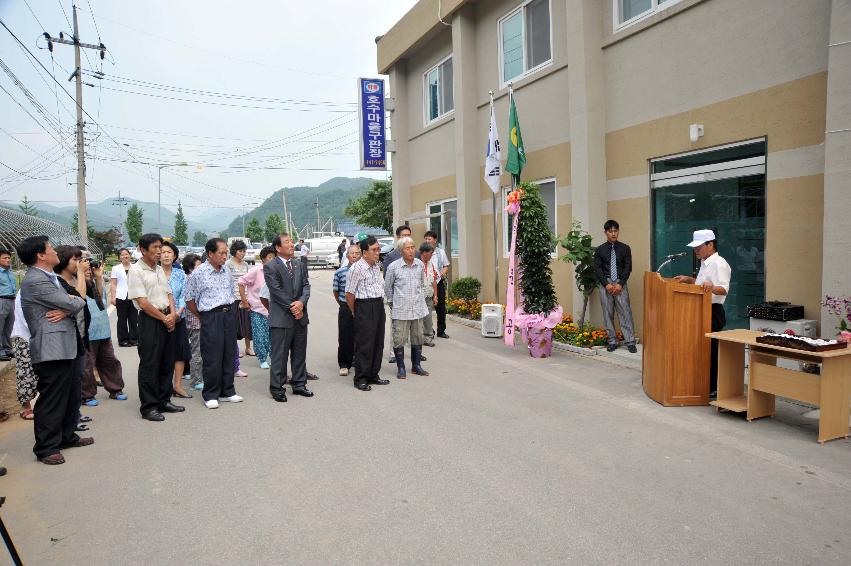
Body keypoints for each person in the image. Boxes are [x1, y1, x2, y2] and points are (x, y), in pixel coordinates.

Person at [17, 236, 91, 465]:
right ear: (40, 255)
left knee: (69, 395)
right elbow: (76, 301)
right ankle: (46, 447)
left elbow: (71, 303)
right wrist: (69, 305)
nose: (54, 251)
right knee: (52, 399)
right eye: (50, 248)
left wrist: (67, 307)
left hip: (65, 344)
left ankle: (66, 436)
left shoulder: (49, 277)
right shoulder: (35, 280)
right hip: (51, 348)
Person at [127, 233, 185, 422]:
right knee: (150, 364)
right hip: (151, 320)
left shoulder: (159, 269)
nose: (160, 251)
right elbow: (142, 303)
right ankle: (149, 407)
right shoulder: (136, 271)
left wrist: (173, 315)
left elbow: (169, 294)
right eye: (155, 248)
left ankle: (163, 400)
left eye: (161, 247)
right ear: (142, 250)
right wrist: (163, 318)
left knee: (166, 361)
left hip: (167, 317)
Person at [185, 238, 244, 409]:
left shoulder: (226, 270)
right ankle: (211, 394)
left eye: (226, 252)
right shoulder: (199, 273)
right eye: (222, 253)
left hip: (229, 314)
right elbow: (189, 299)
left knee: (229, 353)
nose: (225, 256)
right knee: (212, 356)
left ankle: (228, 391)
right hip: (211, 316)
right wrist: (203, 316)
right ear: (210, 254)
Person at [674, 229, 732, 397]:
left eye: (699, 246)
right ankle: (704, 383)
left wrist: (711, 287)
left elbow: (723, 289)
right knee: (702, 350)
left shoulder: (719, 263)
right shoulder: (706, 262)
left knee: (712, 351)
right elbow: (702, 285)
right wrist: (689, 280)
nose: (696, 250)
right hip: (700, 310)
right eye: (695, 247)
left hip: (713, 311)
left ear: (710, 244)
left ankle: (714, 388)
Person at [264, 233, 313, 402]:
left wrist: (301, 303)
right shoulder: (271, 266)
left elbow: (306, 286)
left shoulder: (299, 264)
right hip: (282, 317)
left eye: (292, 241)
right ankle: (277, 387)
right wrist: (294, 307)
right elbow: (276, 291)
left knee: (299, 353)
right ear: (278, 248)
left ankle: (299, 384)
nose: (292, 244)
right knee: (280, 355)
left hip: (300, 316)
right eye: (287, 242)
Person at [345, 236, 387, 391]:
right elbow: (349, 294)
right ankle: (361, 378)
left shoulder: (376, 265)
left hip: (378, 304)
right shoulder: (356, 268)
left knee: (378, 341)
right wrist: (356, 311)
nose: (377, 252)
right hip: (364, 306)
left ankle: (373, 375)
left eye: (378, 249)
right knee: (365, 344)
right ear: (364, 252)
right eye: (374, 250)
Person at [384, 237, 430, 379]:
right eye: (407, 248)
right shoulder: (394, 267)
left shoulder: (420, 265)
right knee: (399, 339)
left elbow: (422, 284)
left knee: (418, 338)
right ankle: (401, 367)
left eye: (412, 247)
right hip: (400, 310)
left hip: (417, 309)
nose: (411, 250)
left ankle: (416, 366)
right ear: (400, 251)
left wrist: (420, 298)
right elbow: (387, 287)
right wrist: (392, 303)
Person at [54, 247, 91, 418]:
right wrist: (82, 275)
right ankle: (70, 419)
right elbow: (79, 299)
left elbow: (94, 296)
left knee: (77, 380)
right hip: (67, 338)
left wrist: (96, 276)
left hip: (81, 335)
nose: (79, 263)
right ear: (63, 261)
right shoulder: (57, 282)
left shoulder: (76, 278)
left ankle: (74, 416)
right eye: (75, 260)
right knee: (67, 382)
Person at [82, 262, 126, 402]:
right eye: (86, 270)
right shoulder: (76, 288)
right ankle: (87, 396)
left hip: (103, 332)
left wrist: (99, 276)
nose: (89, 272)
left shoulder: (94, 286)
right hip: (88, 334)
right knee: (87, 366)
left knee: (110, 362)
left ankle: (115, 390)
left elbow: (101, 298)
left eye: (90, 269)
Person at [593, 220, 637, 354]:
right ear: (605, 232)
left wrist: (620, 284)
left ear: (618, 231)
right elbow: (597, 269)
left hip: (620, 283)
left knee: (625, 312)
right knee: (608, 313)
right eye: (610, 231)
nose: (613, 234)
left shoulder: (625, 248)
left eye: (615, 231)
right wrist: (606, 284)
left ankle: (630, 341)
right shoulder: (600, 250)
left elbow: (627, 267)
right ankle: (612, 341)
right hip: (605, 284)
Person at [161, 241, 192, 399]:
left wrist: (176, 314)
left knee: (179, 352)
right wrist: (165, 316)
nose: (166, 255)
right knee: (161, 353)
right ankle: (163, 386)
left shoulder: (180, 275)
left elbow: (183, 297)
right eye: (163, 252)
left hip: (178, 318)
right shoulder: (154, 273)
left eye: (169, 252)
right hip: (158, 318)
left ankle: (177, 385)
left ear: (174, 256)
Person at [239, 246, 276, 370]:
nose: (272, 260)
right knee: (260, 335)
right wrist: (245, 301)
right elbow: (241, 282)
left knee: (272, 335)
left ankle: (272, 356)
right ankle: (262, 358)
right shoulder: (256, 271)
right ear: (263, 259)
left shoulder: (276, 271)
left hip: (273, 310)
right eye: (270, 257)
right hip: (257, 309)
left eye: (274, 257)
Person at [382, 225, 412, 364]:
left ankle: (414, 352)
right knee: (396, 327)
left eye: (409, 235)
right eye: (404, 235)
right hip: (397, 298)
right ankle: (394, 353)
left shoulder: (415, 254)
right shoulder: (391, 256)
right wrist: (392, 300)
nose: (407, 237)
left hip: (412, 299)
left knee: (414, 327)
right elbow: (387, 280)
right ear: (398, 237)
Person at [333, 244, 361, 376]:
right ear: (347, 255)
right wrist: (344, 304)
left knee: (361, 336)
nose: (354, 255)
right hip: (345, 307)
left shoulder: (364, 271)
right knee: (345, 337)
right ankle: (344, 364)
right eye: (352, 253)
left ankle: (359, 360)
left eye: (357, 253)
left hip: (361, 306)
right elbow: (336, 291)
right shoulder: (340, 272)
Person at [226, 240, 252, 373]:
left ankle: (248, 348)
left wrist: (248, 297)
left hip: (245, 297)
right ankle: (236, 350)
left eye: (244, 251)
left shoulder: (246, 264)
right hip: (234, 299)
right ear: (234, 251)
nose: (242, 253)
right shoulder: (228, 264)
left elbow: (247, 281)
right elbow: (228, 282)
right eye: (240, 251)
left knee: (247, 324)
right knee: (236, 325)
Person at [182, 254, 204, 392]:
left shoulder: (193, 278)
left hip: (195, 320)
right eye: (198, 266)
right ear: (190, 268)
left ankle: (197, 377)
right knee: (198, 352)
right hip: (195, 321)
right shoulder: (191, 280)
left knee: (198, 350)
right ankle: (197, 380)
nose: (201, 268)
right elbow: (190, 302)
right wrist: (201, 316)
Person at [12, 291, 36, 420]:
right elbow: (25, 315)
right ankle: (25, 406)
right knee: (26, 372)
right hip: (24, 336)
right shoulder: (26, 289)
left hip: (39, 335)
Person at [423, 230, 450, 339]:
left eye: (429, 239)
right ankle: (430, 330)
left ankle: (441, 330)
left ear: (435, 240)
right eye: (425, 239)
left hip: (438, 282)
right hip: (426, 283)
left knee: (441, 307)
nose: (427, 241)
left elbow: (446, 265)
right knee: (427, 307)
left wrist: (441, 274)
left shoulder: (440, 252)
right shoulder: (422, 252)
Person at [110, 248, 138, 347]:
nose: (125, 256)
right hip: (121, 296)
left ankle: (134, 338)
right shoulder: (116, 268)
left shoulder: (135, 267)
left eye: (126, 254)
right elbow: (113, 284)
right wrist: (113, 297)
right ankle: (123, 340)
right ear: (119, 257)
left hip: (133, 296)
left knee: (134, 318)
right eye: (122, 255)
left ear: (129, 255)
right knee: (122, 319)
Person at [418, 242, 439, 347]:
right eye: (431, 253)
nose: (432, 255)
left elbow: (434, 281)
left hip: (428, 296)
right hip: (418, 297)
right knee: (418, 319)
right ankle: (418, 338)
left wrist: (435, 296)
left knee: (428, 318)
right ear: (424, 253)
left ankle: (428, 338)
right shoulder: (416, 264)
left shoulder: (431, 264)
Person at [0, 248, 16, 361]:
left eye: (8, 258)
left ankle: (7, 349)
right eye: (4, 258)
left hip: (11, 300)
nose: (8, 260)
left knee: (8, 327)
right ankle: (0, 351)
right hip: (1, 300)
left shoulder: (9, 270)